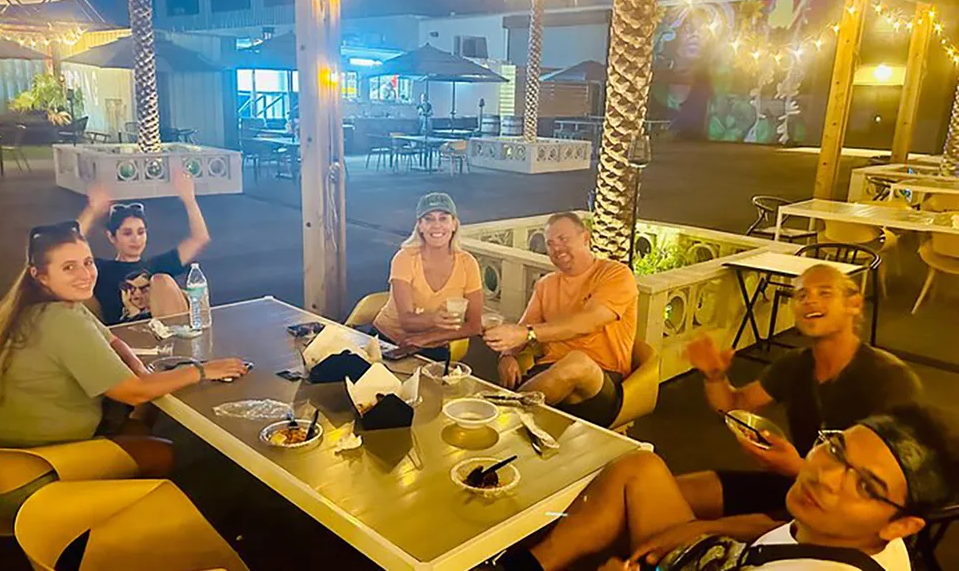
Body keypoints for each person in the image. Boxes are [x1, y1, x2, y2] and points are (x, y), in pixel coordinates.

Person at [0, 222, 247, 521]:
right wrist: (202, 370)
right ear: (39, 274)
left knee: (143, 414)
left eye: (87, 262)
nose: (85, 274)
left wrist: (139, 370)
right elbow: (132, 392)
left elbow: (114, 340)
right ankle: (124, 523)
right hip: (27, 477)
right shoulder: (61, 320)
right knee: (167, 453)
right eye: (69, 267)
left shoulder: (36, 305)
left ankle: (120, 483)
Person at [492, 404, 959, 571]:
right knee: (641, 467)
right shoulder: (857, 534)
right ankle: (526, 565)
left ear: (903, 524)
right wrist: (695, 530)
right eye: (835, 450)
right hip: (723, 554)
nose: (825, 475)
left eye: (865, 486)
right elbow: (769, 524)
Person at [681, 264, 922, 520]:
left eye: (825, 292)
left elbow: (893, 481)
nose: (810, 301)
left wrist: (797, 466)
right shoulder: (794, 364)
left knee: (717, 528)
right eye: (802, 295)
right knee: (676, 490)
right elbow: (733, 406)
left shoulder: (890, 379)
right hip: (800, 481)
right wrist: (714, 376)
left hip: (852, 509)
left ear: (854, 304)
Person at [483, 212, 638, 428]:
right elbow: (522, 328)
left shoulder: (615, 274)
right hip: (548, 371)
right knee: (551, 371)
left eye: (563, 239)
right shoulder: (546, 284)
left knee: (577, 362)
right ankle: (506, 420)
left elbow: (588, 322)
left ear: (585, 238)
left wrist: (527, 333)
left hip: (600, 380)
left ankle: (499, 423)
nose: (557, 248)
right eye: (550, 243)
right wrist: (507, 355)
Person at [77, 164, 210, 325]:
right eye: (127, 233)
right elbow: (70, 245)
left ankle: (178, 344)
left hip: (164, 337)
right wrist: (92, 211)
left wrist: (190, 200)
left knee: (161, 279)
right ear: (112, 237)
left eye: (141, 232)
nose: (136, 239)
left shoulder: (157, 265)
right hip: (124, 340)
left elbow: (199, 239)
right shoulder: (101, 269)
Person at [372, 192, 483, 361]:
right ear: (420, 226)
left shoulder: (468, 263)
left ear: (454, 224)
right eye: (429, 219)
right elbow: (407, 321)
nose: (436, 225)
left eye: (443, 218)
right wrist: (435, 319)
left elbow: (474, 325)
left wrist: (426, 339)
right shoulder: (405, 258)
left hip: (433, 344)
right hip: (390, 341)